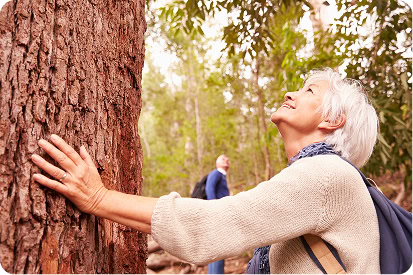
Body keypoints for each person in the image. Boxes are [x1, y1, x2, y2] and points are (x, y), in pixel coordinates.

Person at [31, 68, 380, 273]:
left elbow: (215, 223)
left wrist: (98, 197)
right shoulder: (327, 178)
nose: (291, 93)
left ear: (333, 120)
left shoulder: (326, 176)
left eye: (308, 91)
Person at [205, 154, 230, 274]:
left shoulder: (222, 176)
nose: (227, 161)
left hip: (221, 215)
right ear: (217, 163)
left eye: (227, 159)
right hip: (216, 215)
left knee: (219, 249)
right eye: (223, 159)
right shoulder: (216, 173)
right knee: (218, 249)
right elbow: (209, 189)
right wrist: (214, 209)